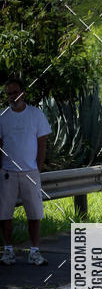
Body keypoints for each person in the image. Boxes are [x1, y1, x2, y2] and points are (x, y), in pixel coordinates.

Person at [0, 77, 51, 266]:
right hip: (7, 173)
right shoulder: (2, 116)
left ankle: (34, 251)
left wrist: (37, 168)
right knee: (4, 213)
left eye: (15, 92)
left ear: (23, 93)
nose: (12, 97)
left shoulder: (36, 115)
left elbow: (42, 143)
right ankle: (8, 251)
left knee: (35, 213)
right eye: (8, 93)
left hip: (30, 172)